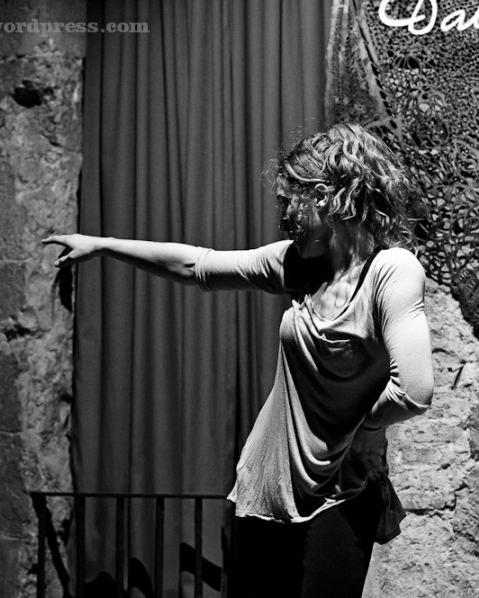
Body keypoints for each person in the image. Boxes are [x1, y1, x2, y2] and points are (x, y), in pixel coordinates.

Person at [43, 123, 434, 597]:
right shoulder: (298, 265)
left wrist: (365, 430)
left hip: (342, 490)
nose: (283, 218)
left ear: (326, 197)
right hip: (268, 485)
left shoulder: (391, 271)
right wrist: (103, 245)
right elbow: (198, 265)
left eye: (289, 202)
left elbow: (413, 391)